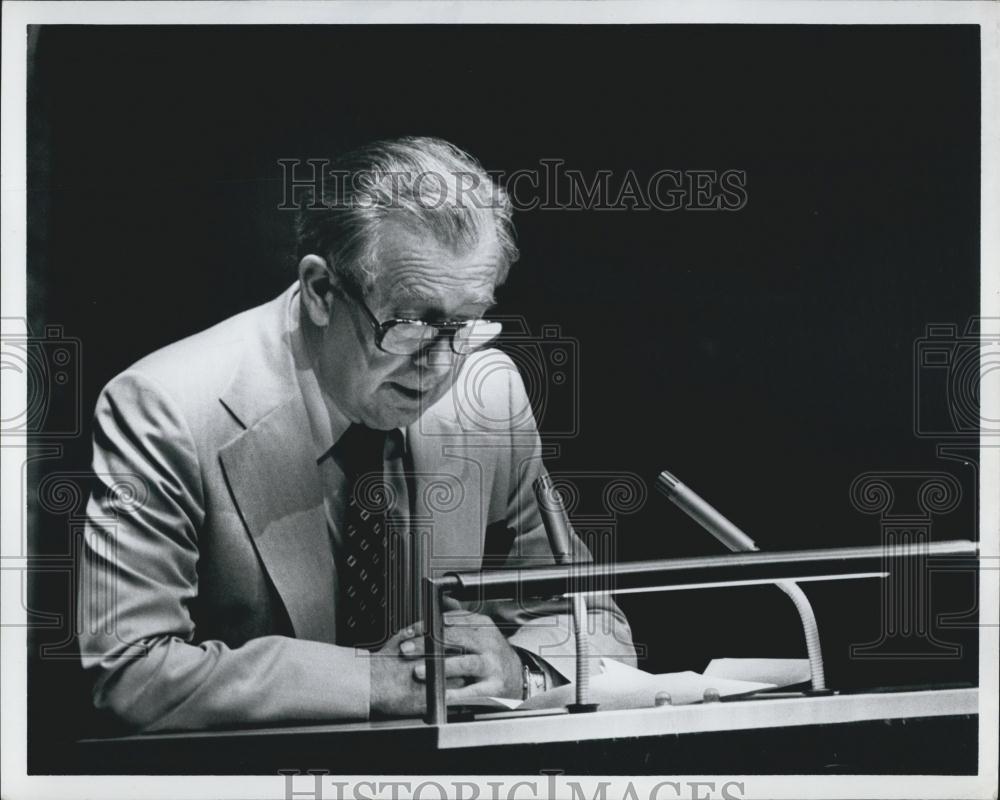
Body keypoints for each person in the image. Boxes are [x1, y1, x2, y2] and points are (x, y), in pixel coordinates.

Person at [78, 136, 636, 732]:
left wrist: (520, 670)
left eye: (466, 323)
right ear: (321, 291)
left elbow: (592, 620)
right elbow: (130, 670)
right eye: (412, 322)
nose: (442, 363)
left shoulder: (489, 392)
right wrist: (373, 679)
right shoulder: (168, 407)